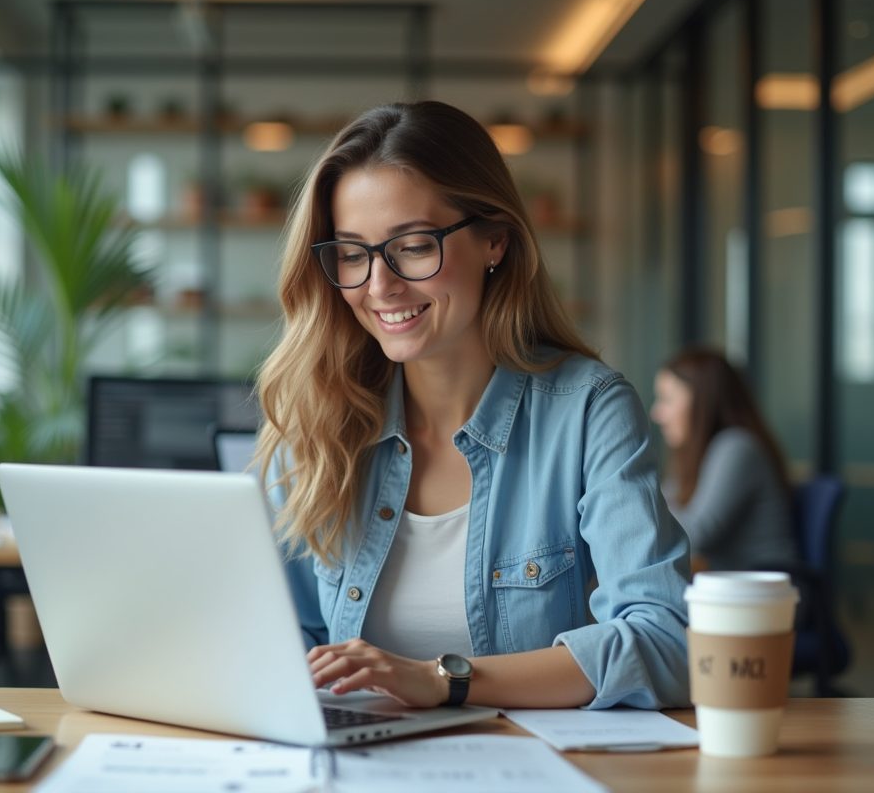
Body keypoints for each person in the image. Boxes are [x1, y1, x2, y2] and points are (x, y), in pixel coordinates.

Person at [255, 100, 690, 712]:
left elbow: (667, 642)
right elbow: (278, 636)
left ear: (494, 240)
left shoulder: (589, 411)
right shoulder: (317, 422)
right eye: (353, 255)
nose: (380, 286)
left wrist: (443, 681)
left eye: (412, 246)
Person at [650, 347, 799, 573]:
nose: (656, 413)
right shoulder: (693, 455)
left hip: (764, 592)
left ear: (702, 400)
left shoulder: (737, 448)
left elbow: (692, 535)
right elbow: (662, 511)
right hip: (728, 589)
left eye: (667, 399)